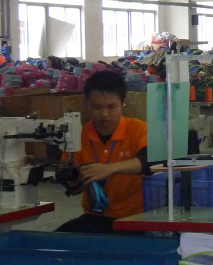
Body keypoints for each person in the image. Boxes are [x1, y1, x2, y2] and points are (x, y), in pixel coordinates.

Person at [55, 70, 151, 234]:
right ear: (88, 104)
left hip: (136, 219)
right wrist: (75, 181)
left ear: (123, 103)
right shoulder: (78, 136)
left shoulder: (139, 130)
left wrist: (109, 169)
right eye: (97, 107)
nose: (104, 114)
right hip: (95, 217)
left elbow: (149, 161)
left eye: (111, 107)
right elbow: (73, 188)